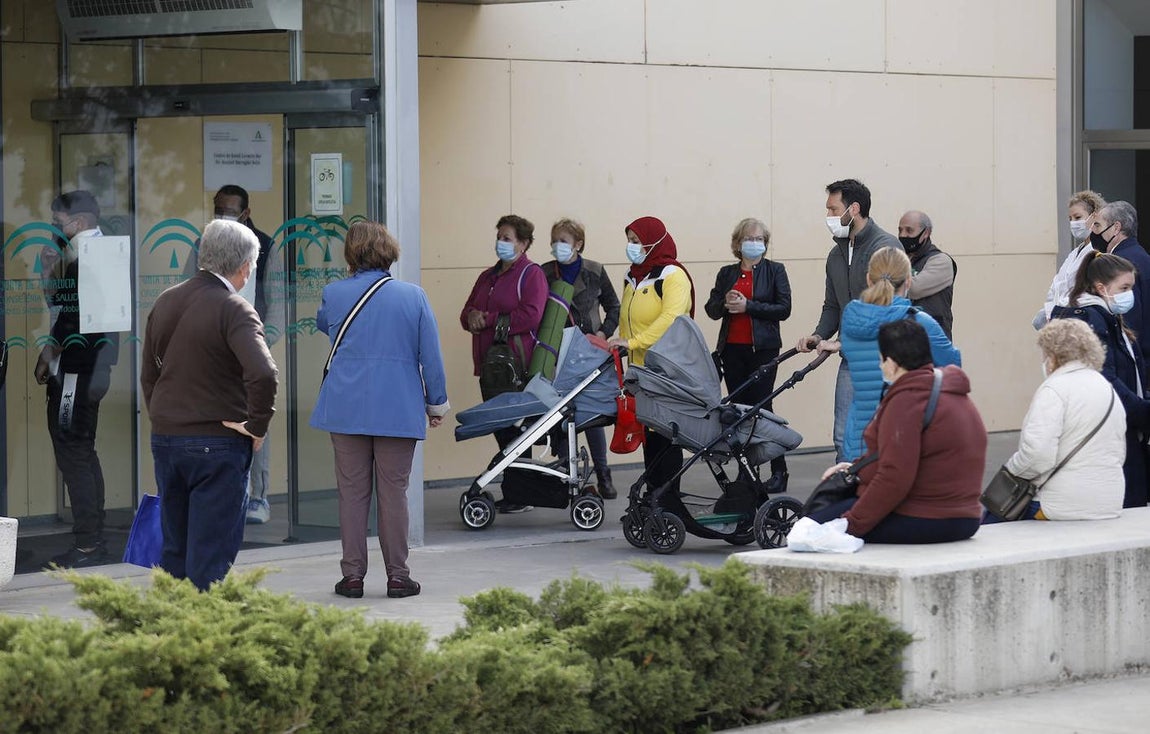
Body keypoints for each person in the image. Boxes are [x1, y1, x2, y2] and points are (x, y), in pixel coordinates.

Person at [310, 221, 448, 600]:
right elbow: (430, 357)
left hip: (346, 405)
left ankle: (352, 576)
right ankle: (398, 577)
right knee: (394, 493)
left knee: (352, 494)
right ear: (390, 252)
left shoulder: (334, 293)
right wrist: (436, 403)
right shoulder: (414, 296)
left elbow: (326, 324)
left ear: (351, 254)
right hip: (398, 407)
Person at [141, 219, 278, 591]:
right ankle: (204, 636)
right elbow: (264, 373)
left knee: (174, 550)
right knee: (211, 556)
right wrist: (256, 426)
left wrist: (164, 417)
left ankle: (170, 633)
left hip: (167, 439)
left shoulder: (166, 300)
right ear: (245, 267)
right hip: (218, 443)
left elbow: (149, 376)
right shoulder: (235, 308)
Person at [809, 319, 986, 543]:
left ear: (891, 363)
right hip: (964, 517)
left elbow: (894, 476)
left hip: (928, 516)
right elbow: (909, 457)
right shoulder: (951, 391)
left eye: (881, 360)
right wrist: (857, 468)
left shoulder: (907, 399)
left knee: (813, 524)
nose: (881, 367)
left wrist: (851, 525)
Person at [185, 185, 285, 525]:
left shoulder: (268, 246)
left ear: (245, 213)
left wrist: (260, 345)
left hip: (250, 349)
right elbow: (186, 292)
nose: (222, 217)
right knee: (213, 420)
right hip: (211, 350)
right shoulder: (202, 246)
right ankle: (223, 493)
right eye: (218, 210)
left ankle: (258, 496)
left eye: (229, 211)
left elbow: (277, 306)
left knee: (254, 420)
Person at [38, 190, 121, 568]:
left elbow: (72, 316)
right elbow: (65, 306)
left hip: (77, 370)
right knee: (82, 451)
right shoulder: (95, 254)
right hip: (92, 368)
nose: (57, 229)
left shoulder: (89, 257)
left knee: (73, 450)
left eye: (60, 223)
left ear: (81, 222)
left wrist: (49, 351)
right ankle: (92, 538)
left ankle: (88, 543)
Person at [817, 247, 961, 464]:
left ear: (868, 278)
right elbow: (953, 368)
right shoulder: (918, 322)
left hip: (858, 441)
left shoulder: (851, 316)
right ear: (909, 282)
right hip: (904, 439)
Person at [796, 178, 901, 462]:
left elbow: (885, 311)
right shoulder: (836, 255)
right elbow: (833, 306)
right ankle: (847, 501)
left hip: (886, 359)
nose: (828, 217)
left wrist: (840, 342)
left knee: (880, 435)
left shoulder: (886, 248)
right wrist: (819, 336)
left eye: (833, 209)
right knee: (843, 436)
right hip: (851, 358)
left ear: (853, 209)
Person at [990, 319, 1125, 521]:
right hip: (1109, 501)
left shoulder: (1054, 389)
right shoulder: (1108, 389)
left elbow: (1037, 456)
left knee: (992, 518)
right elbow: (1119, 451)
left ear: (1054, 356)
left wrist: (1010, 472)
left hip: (1060, 505)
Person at [459, 214, 548, 512]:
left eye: (507, 238)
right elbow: (466, 313)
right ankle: (520, 491)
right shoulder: (487, 276)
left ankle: (521, 493)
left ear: (522, 244)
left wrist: (490, 320)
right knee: (504, 430)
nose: (500, 243)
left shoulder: (531, 274)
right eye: (499, 237)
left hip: (515, 367)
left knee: (512, 431)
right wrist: (472, 316)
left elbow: (531, 315)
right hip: (489, 368)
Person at [1052, 253, 1150, 508]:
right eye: (1125, 288)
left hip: (1123, 426)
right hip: (1112, 430)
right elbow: (1106, 378)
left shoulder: (1106, 317)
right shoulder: (1092, 320)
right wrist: (1142, 411)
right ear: (1101, 288)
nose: (1130, 295)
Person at [608, 216, 694, 499]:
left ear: (653, 242)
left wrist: (634, 341)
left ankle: (668, 497)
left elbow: (671, 319)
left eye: (636, 241)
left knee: (667, 436)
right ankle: (654, 494)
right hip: (640, 370)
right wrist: (621, 343)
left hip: (667, 370)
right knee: (649, 436)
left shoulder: (672, 275)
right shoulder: (632, 276)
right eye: (629, 241)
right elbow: (627, 316)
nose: (631, 247)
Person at [704, 217, 792, 492]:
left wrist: (749, 306)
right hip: (732, 349)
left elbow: (784, 309)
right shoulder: (726, 273)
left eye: (759, 240)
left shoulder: (775, 270)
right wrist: (725, 303)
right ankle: (747, 471)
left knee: (763, 407)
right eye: (748, 239)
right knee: (738, 412)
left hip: (763, 349)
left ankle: (779, 470)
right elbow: (711, 308)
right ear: (737, 243)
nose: (754, 244)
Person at [539, 218, 621, 499]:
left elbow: (614, 307)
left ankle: (603, 475)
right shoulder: (545, 272)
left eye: (563, 240)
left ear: (578, 244)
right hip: (558, 353)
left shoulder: (595, 271)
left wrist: (603, 332)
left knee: (590, 413)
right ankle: (569, 475)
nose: (557, 246)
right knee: (560, 414)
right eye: (554, 240)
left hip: (589, 351)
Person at [1089, 201, 1150, 364]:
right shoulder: (1141, 256)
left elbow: (1129, 318)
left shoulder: (1121, 264)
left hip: (1132, 359)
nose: (1093, 231)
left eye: (1097, 225)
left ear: (1116, 228)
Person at [1035, 190, 1107, 329]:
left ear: (1094, 216)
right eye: (1070, 219)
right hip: (1062, 320)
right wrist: (1050, 311)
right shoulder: (1074, 253)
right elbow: (1057, 286)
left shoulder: (1098, 252)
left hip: (1080, 322)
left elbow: (1085, 292)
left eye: (1078, 217)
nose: (1073, 223)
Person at [899, 210, 957, 339]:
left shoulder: (941, 261)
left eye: (909, 230)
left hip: (933, 343)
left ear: (926, 233)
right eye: (900, 230)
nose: (903, 235)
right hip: (905, 342)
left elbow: (913, 289)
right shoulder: (902, 259)